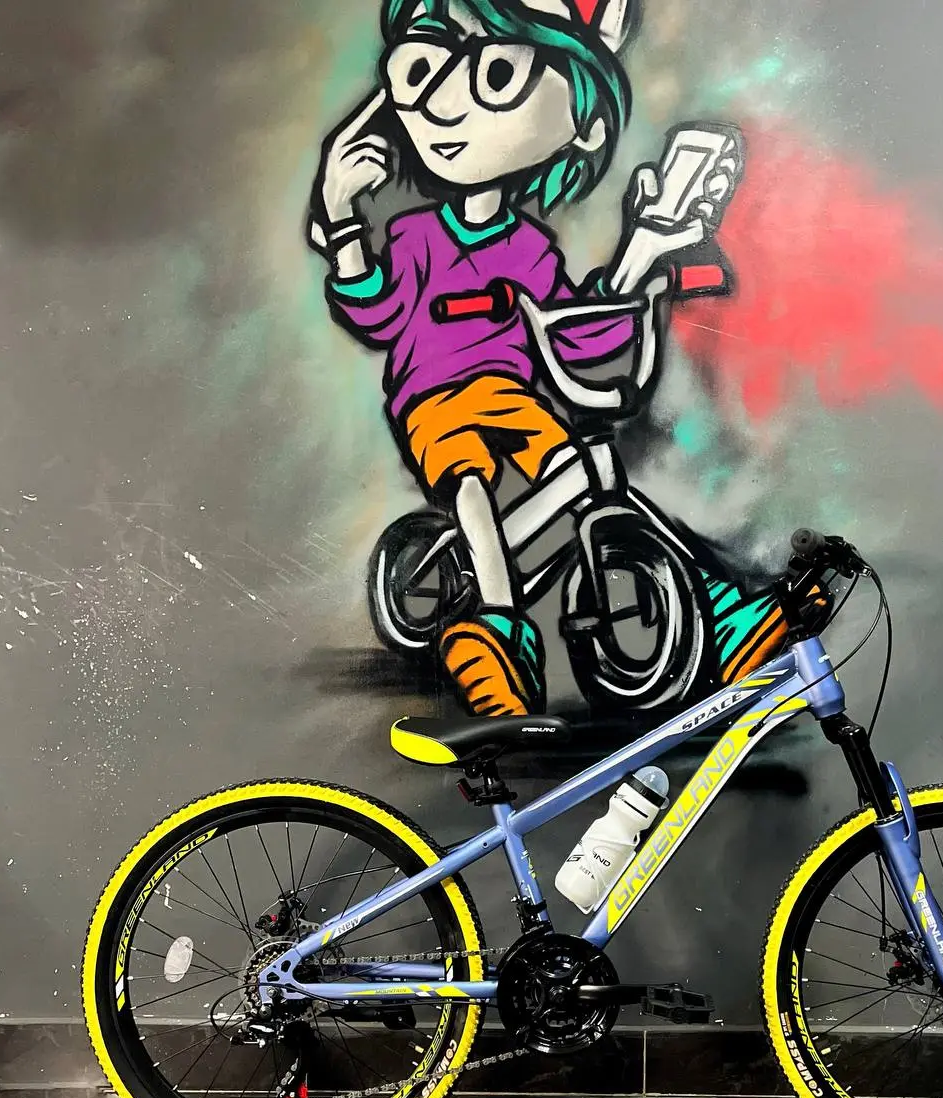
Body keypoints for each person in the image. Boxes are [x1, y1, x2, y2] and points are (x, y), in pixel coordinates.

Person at [313, 0, 812, 716]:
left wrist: (640, 265)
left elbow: (573, 327)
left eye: (496, 76)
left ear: (583, 126)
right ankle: (497, 627)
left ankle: (718, 610)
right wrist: (341, 222)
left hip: (512, 396)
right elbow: (376, 313)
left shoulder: (529, 247)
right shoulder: (417, 237)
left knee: (583, 475)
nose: (445, 104)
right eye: (422, 68)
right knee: (472, 489)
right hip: (435, 399)